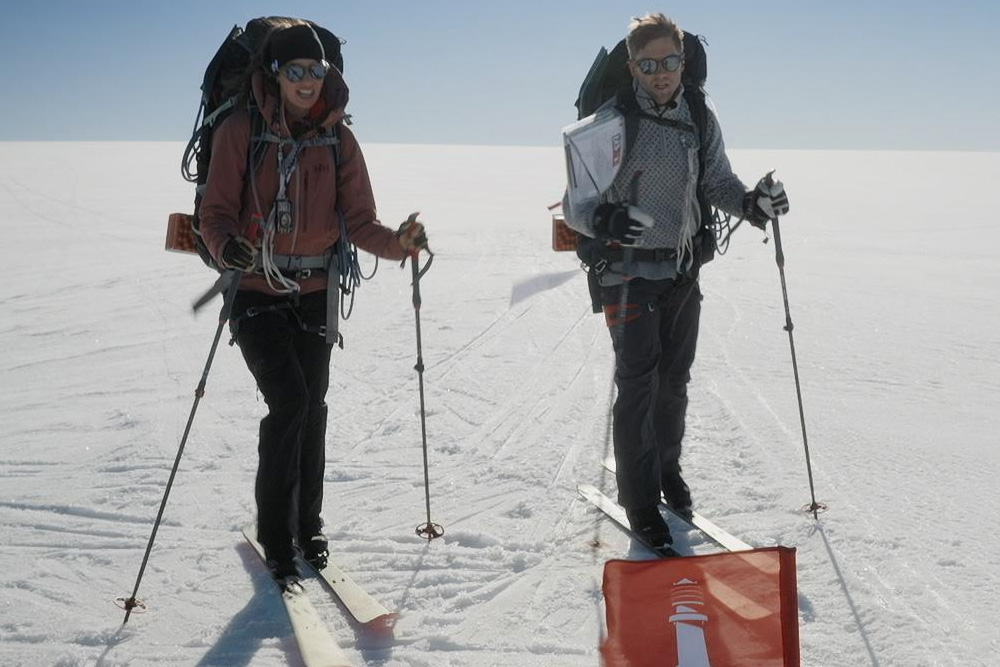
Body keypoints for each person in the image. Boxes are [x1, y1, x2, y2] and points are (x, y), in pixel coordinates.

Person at [198, 21, 429, 584]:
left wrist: (399, 245)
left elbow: (361, 223)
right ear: (274, 75)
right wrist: (228, 247)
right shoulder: (238, 130)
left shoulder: (338, 138)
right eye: (296, 70)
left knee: (313, 407)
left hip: (315, 293)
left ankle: (310, 526)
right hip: (255, 290)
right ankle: (277, 534)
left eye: (316, 70)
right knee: (291, 403)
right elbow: (215, 213)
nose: (307, 81)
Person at [562, 13, 789, 554]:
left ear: (683, 62)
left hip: (683, 269)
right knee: (639, 384)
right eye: (648, 64)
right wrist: (606, 221)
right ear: (633, 66)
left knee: (674, 381)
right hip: (627, 274)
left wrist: (752, 204)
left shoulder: (698, 115)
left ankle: (667, 473)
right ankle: (640, 501)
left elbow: (716, 181)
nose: (660, 73)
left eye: (669, 61)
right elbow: (577, 203)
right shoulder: (614, 120)